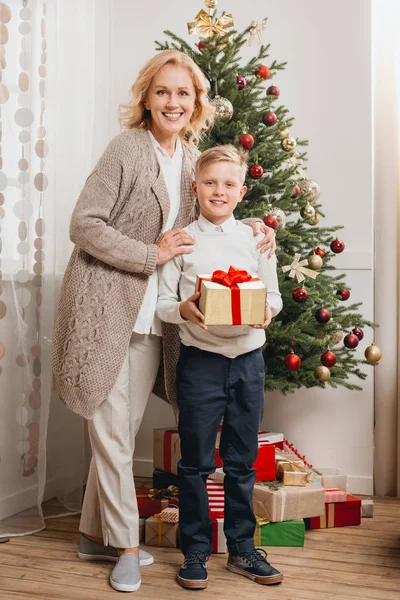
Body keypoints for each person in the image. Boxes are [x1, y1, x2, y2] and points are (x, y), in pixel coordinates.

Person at [51, 50, 276, 594]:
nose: (173, 102)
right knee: (110, 432)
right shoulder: (127, 150)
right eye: (162, 92)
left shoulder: (192, 157)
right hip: (107, 305)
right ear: (146, 99)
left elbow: (206, 212)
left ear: (196, 103)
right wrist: (149, 255)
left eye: (183, 94)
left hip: (158, 316)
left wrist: (245, 225)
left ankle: (90, 532)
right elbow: (84, 224)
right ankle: (126, 546)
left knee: (121, 431)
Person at [156, 145, 284, 590]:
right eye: (210, 182)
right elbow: (164, 304)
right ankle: (195, 550)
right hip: (201, 364)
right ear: (196, 188)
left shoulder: (256, 238)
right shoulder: (182, 241)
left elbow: (273, 295)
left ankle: (243, 549)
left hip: (248, 361)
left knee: (242, 461)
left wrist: (265, 311)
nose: (219, 191)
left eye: (229, 184)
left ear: (242, 191)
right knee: (194, 462)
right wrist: (186, 311)